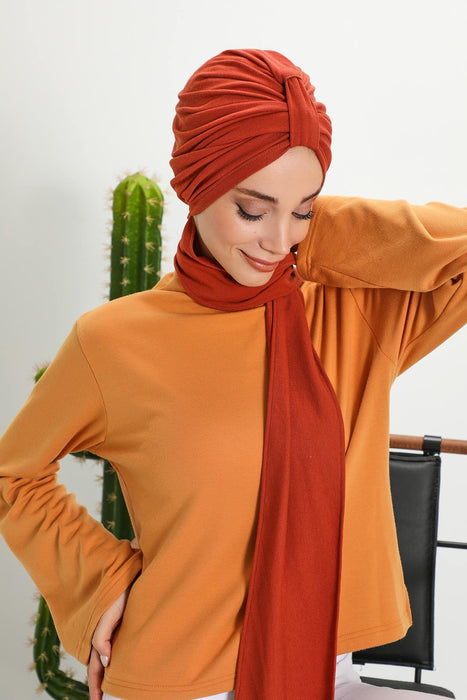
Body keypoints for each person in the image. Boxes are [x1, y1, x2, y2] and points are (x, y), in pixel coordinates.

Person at [0, 49, 466, 700]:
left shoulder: (352, 313)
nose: (278, 240)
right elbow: (13, 474)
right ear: (197, 186)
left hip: (328, 670)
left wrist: (316, 235)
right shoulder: (111, 341)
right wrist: (100, 581)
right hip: (174, 680)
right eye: (253, 209)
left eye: (302, 209)